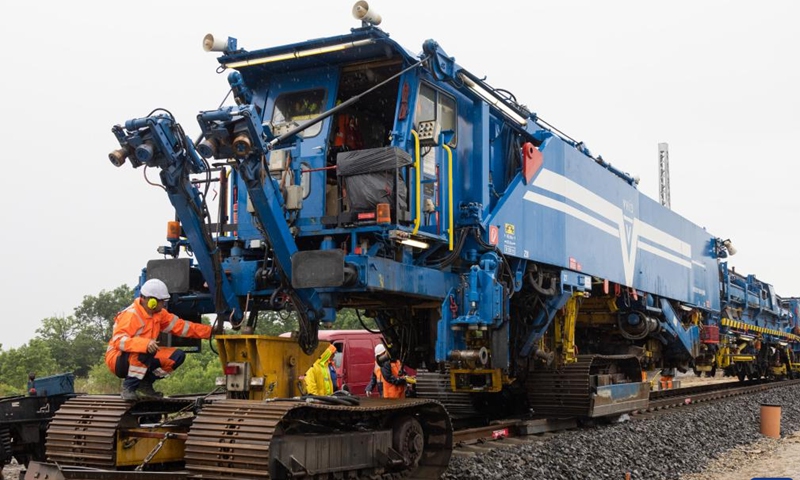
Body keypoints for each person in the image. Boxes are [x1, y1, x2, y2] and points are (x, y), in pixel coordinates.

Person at [105, 279, 213, 401]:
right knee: (145, 350)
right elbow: (119, 341)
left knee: (176, 356)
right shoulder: (131, 315)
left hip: (143, 355)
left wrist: (210, 331)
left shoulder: (159, 314)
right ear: (151, 301)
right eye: (162, 301)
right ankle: (128, 387)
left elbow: (182, 327)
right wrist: (144, 344)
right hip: (118, 360)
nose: (164, 304)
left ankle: (145, 382)